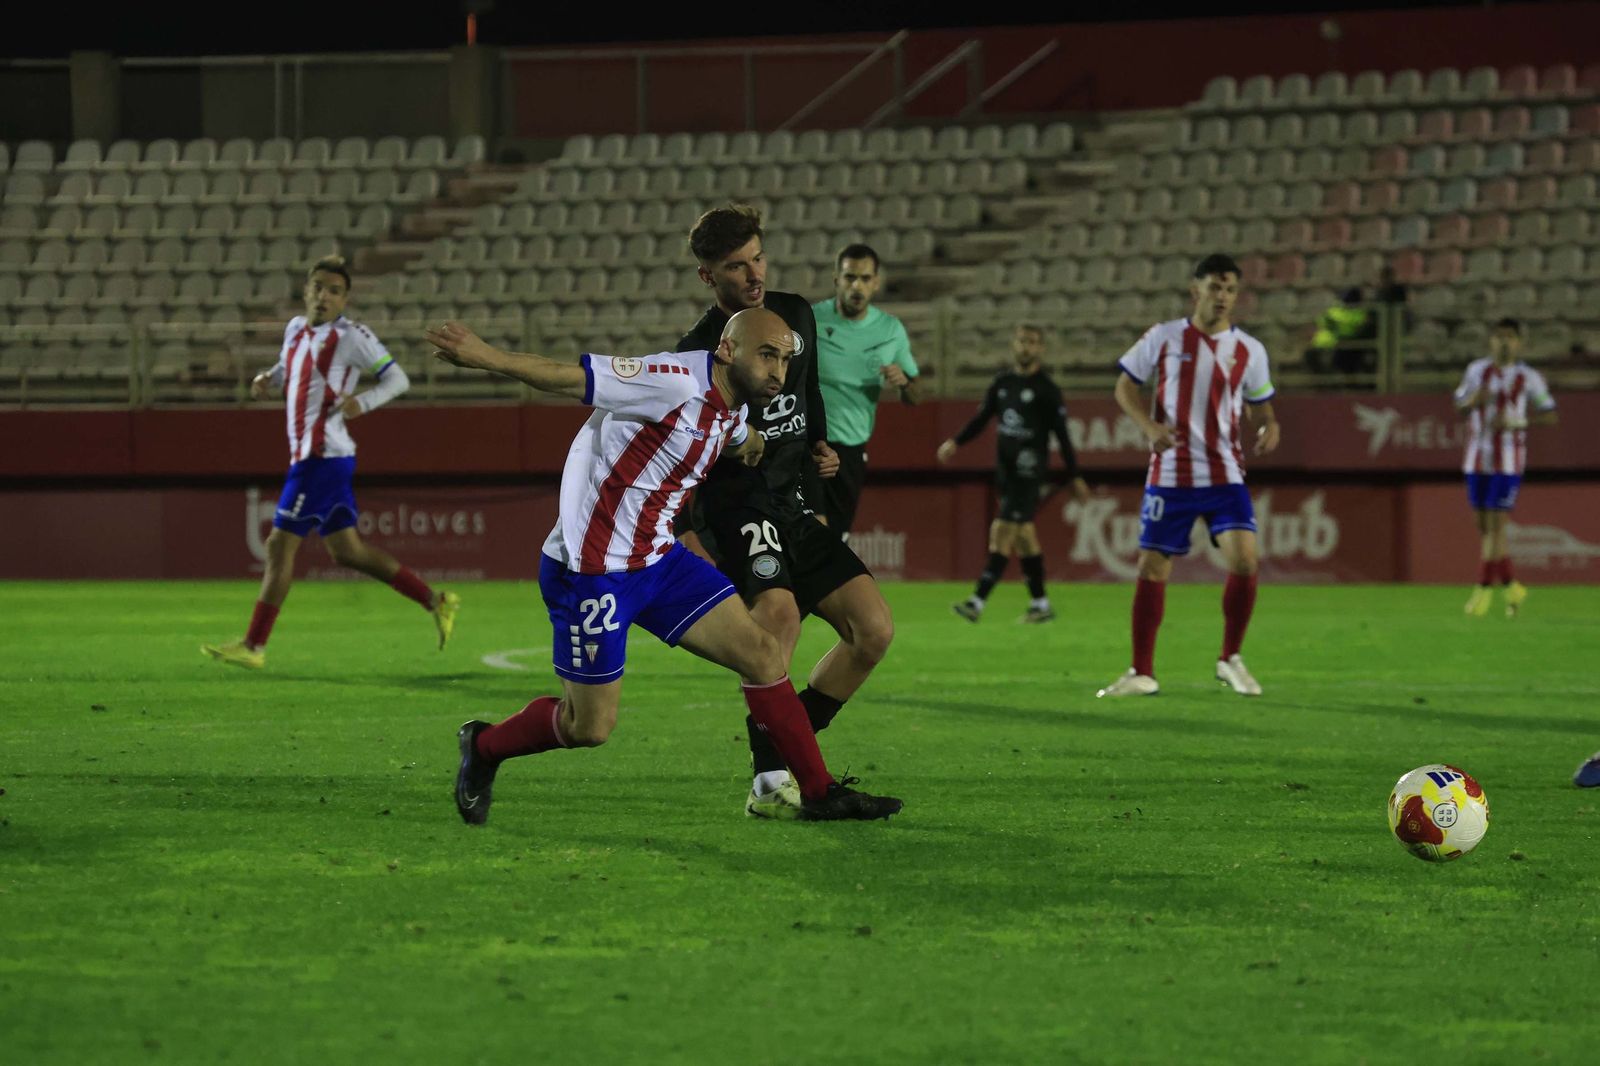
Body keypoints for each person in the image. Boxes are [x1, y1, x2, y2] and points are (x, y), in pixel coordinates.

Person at [426, 309, 902, 825]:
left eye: (786, 360)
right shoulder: (670, 380)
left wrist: (751, 443)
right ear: (727, 350)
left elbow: (733, 431)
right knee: (589, 727)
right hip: (593, 571)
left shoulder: (732, 406)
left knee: (764, 654)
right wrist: (487, 357)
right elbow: (573, 378)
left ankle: (816, 790)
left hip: (658, 560)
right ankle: (485, 746)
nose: (778, 372)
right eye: (767, 354)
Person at [673, 204, 897, 820]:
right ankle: (772, 780)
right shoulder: (694, 354)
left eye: (757, 259)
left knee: (873, 631)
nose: (753, 275)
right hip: (738, 504)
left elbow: (810, 394)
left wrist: (819, 453)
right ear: (707, 277)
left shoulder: (793, 314)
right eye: (735, 266)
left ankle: (776, 738)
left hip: (796, 503)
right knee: (779, 617)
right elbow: (679, 450)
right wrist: (686, 525)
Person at [201, 256, 459, 669]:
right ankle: (436, 600)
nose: (324, 295)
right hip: (319, 458)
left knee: (279, 545)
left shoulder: (351, 336)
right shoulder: (295, 330)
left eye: (334, 290)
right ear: (307, 290)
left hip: (321, 457)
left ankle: (254, 645)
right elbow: (291, 367)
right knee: (348, 552)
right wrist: (269, 377)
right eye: (318, 287)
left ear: (345, 299)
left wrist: (364, 401)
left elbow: (398, 378)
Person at [1097, 253, 1281, 699]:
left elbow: (1261, 402)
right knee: (1152, 568)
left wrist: (1270, 423)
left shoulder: (1250, 350)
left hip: (1225, 473)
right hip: (1171, 473)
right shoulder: (1164, 337)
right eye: (1215, 287)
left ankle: (1229, 658)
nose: (1222, 297)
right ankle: (1142, 671)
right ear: (1195, 290)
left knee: (1246, 560)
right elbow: (1124, 386)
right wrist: (1148, 427)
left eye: (1230, 290)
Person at [937, 323, 1089, 624]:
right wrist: (956, 442)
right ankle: (1040, 604)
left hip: (1029, 472)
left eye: (1032, 342)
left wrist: (1075, 475)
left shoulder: (1047, 390)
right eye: (1022, 341)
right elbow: (982, 418)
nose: (1026, 347)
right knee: (1024, 538)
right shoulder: (1003, 383)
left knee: (1002, 532)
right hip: (1005, 471)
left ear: (1040, 349)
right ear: (1013, 345)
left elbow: (1063, 437)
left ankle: (976, 602)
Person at [813, 243, 920, 534]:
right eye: (850, 277)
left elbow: (914, 395)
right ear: (837, 279)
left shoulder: (890, 330)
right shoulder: (811, 319)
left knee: (834, 539)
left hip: (850, 449)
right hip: (808, 442)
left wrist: (903, 383)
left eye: (864, 278)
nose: (856, 286)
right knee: (811, 533)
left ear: (876, 283)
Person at [1454, 317, 1557, 618]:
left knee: (1496, 526)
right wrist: (1473, 401)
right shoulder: (1476, 371)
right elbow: (1458, 404)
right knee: (1484, 527)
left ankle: (1483, 591)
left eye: (1509, 337)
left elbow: (1550, 414)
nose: (1503, 342)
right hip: (1475, 458)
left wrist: (1516, 422)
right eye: (1498, 336)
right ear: (1490, 341)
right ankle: (1512, 586)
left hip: (1509, 461)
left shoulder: (1529, 377)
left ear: (1518, 342)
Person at [1306, 286, 1374, 376]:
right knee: (1309, 355)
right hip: (1323, 344)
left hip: (1345, 344)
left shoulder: (1360, 314)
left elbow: (1356, 329)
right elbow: (1320, 321)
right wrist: (1327, 323)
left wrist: (1337, 329)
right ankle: (1321, 381)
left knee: (1343, 358)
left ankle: (1340, 381)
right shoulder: (1335, 309)